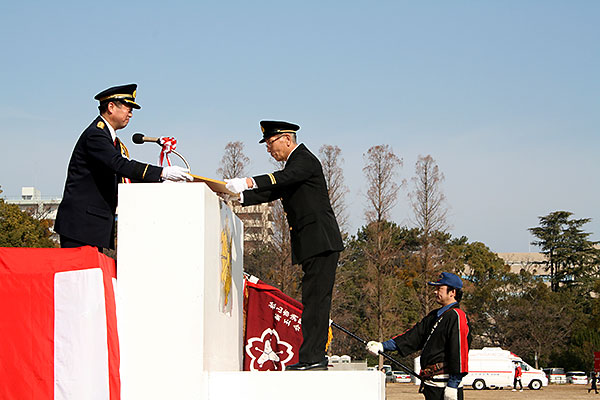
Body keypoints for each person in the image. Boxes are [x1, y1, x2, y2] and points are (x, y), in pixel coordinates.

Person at [225, 120, 344, 371]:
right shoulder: (295, 164)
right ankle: (311, 356)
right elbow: (273, 191)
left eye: (271, 143)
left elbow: (283, 179)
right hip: (314, 244)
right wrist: (237, 196)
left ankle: (313, 358)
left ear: (287, 139)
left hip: (321, 242)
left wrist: (248, 182)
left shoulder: (303, 160)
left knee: (316, 303)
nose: (269, 149)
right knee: (312, 301)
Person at [54, 83, 192, 250]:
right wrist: (162, 172)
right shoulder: (96, 135)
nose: (131, 114)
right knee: (80, 275)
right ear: (111, 107)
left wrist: (161, 182)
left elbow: (124, 176)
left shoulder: (112, 141)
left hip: (93, 225)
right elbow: (119, 165)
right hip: (81, 226)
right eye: (128, 108)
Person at [366, 272, 471, 400]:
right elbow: (413, 336)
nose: (435, 292)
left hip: (446, 385)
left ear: (452, 292)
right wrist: (383, 346)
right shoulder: (434, 315)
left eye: (439, 288)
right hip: (431, 383)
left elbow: (459, 351)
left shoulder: (457, 316)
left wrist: (453, 385)